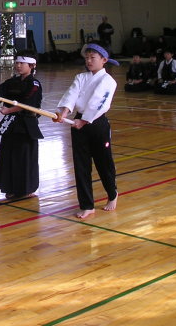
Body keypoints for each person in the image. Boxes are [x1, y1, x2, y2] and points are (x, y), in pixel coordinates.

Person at [54, 43, 118, 219]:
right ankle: (87, 205)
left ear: (104, 60)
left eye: (92, 58)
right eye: (87, 58)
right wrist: (64, 113)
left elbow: (99, 102)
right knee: (81, 165)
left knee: (103, 162)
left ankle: (112, 193)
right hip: (78, 121)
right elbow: (71, 94)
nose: (88, 61)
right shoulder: (81, 77)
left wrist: (83, 121)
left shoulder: (108, 81)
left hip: (97, 123)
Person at [0, 50, 43, 200]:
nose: (18, 65)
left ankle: (26, 189)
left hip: (26, 124)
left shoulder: (34, 84)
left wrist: (9, 110)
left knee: (24, 157)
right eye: (17, 63)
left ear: (32, 65)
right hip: (11, 123)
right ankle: (11, 187)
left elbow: (27, 104)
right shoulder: (13, 81)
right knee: (9, 154)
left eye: (22, 63)